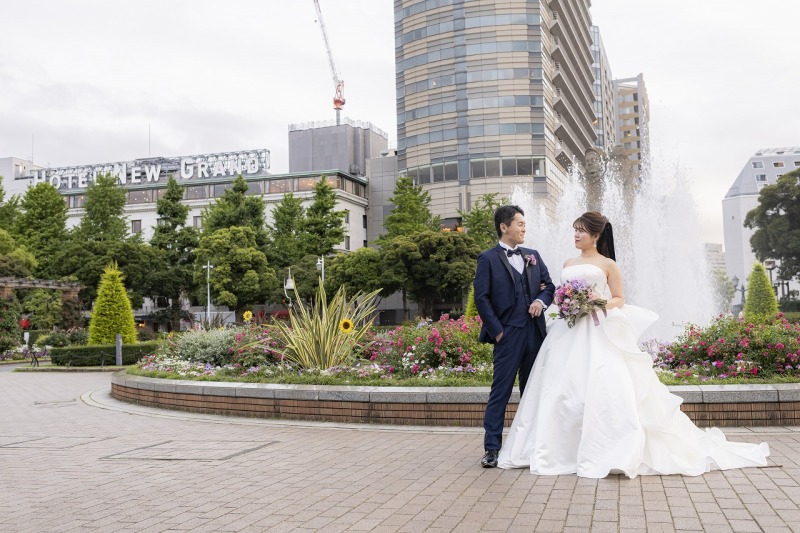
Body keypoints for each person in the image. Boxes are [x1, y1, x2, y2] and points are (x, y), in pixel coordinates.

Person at [497, 211, 770, 477]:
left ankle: (607, 450)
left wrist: (594, 302)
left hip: (598, 329)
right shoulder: (568, 263)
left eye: (581, 231)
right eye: (575, 230)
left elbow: (619, 299)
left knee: (604, 387)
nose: (576, 235)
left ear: (595, 235)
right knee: (561, 390)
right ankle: (554, 450)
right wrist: (567, 303)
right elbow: (559, 294)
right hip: (567, 332)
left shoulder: (608, 264)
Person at [474, 205, 555, 468]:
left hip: (535, 333)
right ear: (504, 227)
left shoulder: (533, 255)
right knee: (501, 391)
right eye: (519, 223)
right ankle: (492, 449)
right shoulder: (487, 258)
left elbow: (550, 286)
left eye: (524, 223)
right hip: (507, 335)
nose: (524, 228)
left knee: (532, 391)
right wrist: (498, 332)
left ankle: (531, 446)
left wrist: (541, 301)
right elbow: (482, 298)